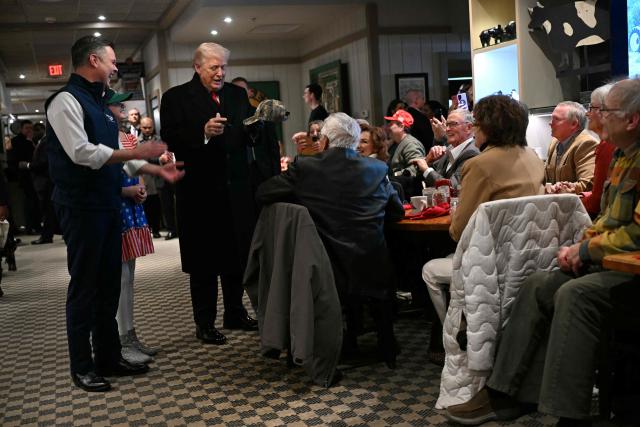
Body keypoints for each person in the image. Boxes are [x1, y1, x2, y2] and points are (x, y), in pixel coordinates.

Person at [444, 78, 640, 426]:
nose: (598, 117)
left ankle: (566, 413)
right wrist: (584, 242)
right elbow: (610, 219)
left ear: (632, 119)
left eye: (605, 111)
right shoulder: (623, 155)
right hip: (616, 264)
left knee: (575, 294)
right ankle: (503, 394)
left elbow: (637, 231)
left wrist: (587, 248)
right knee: (537, 284)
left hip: (632, 272)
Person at [45, 36, 183, 392]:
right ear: (93, 60)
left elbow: (120, 152)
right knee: (85, 286)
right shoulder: (65, 101)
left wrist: (155, 169)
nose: (116, 67)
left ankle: (108, 356)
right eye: (112, 61)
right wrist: (138, 154)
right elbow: (82, 152)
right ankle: (82, 365)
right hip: (80, 206)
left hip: (106, 203)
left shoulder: (101, 102)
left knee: (108, 285)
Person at [256, 112, 405, 367]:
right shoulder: (377, 169)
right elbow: (396, 211)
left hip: (326, 267)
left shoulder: (306, 167)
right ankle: (385, 343)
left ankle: (331, 342)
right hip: (372, 264)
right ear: (356, 142)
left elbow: (263, 192)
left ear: (323, 141)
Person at [160, 42, 280, 346]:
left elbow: (245, 135)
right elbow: (170, 139)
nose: (220, 73)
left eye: (224, 67)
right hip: (199, 193)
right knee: (203, 263)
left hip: (235, 190)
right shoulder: (175, 98)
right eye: (214, 67)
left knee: (235, 257)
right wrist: (202, 133)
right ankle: (204, 323)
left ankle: (235, 312)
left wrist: (259, 124)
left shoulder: (237, 95)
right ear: (197, 66)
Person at [421, 95, 545, 365]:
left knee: (429, 269)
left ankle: (454, 336)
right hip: (532, 256)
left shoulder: (479, 164)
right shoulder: (533, 157)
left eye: (476, 123)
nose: (474, 129)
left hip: (491, 263)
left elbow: (458, 231)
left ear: (488, 128)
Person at [411, 109, 478, 188]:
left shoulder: (472, 153)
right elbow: (426, 177)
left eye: (453, 124)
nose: (447, 129)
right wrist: (428, 161)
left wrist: (426, 169)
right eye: (447, 125)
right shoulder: (449, 148)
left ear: (468, 128)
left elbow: (452, 187)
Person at [544, 101, 598, 194]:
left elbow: (587, 185)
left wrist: (560, 188)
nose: (550, 123)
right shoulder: (555, 142)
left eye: (556, 119)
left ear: (574, 124)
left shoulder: (586, 143)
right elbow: (545, 178)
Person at [581, 84, 616, 217]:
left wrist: (571, 201)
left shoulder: (608, 145)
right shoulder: (606, 143)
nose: (586, 112)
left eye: (591, 107)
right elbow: (603, 192)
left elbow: (597, 203)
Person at [385, 109, 425, 176]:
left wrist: (395, 175)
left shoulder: (411, 144)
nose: (388, 127)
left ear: (401, 126)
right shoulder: (395, 143)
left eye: (391, 124)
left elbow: (416, 168)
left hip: (407, 185)